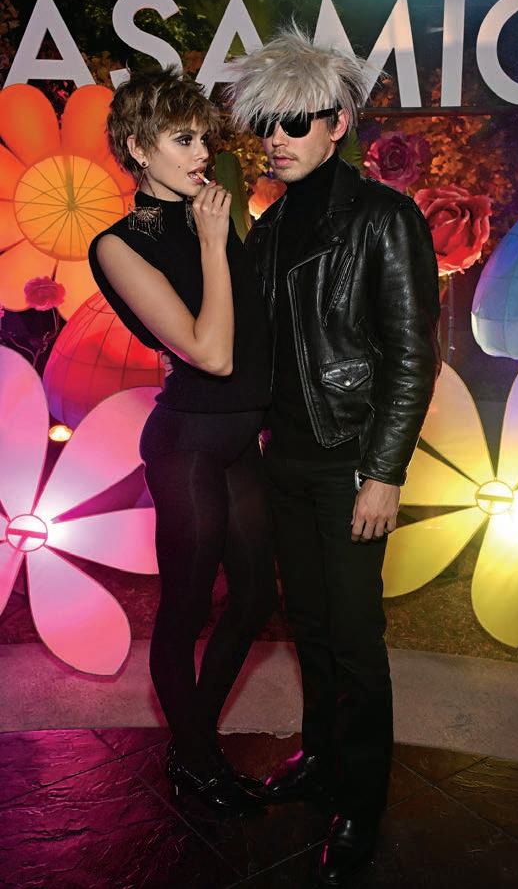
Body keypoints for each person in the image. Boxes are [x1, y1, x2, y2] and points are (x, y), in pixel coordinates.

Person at [228, 26, 441, 884]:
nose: (277, 139)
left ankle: (362, 798)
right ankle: (320, 758)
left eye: (296, 122)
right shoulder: (272, 225)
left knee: (354, 638)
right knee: (309, 627)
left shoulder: (384, 218)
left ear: (338, 123)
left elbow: (413, 355)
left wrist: (384, 472)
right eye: (267, 124)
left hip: (351, 459)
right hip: (285, 460)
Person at [88, 68, 276, 815]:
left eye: (204, 137)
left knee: (256, 597)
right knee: (186, 608)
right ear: (138, 148)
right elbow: (213, 353)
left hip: (238, 439)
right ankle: (198, 759)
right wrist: (212, 243)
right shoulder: (118, 245)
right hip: (188, 443)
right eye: (183, 138)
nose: (203, 152)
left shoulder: (212, 215)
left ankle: (193, 739)